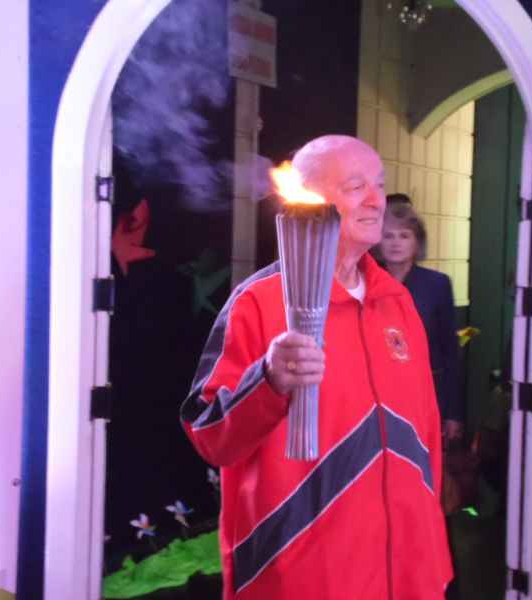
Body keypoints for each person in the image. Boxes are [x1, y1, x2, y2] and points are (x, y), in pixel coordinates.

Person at [180, 135, 453, 599]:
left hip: (407, 573)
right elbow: (209, 433)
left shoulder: (397, 302)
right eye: (356, 187)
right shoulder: (257, 303)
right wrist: (267, 382)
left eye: (379, 184)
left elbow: (424, 433)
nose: (376, 200)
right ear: (309, 198)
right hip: (304, 576)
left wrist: (431, 552)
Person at [378, 203, 465, 443]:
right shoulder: (366, 281)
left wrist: (454, 412)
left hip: (425, 391)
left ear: (417, 243)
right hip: (378, 393)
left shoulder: (437, 285)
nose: (396, 243)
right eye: (388, 236)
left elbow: (451, 352)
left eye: (404, 236)